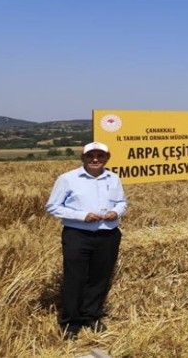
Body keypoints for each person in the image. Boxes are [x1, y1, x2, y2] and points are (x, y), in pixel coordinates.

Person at [45, 142, 127, 340]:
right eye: (91, 156)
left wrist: (115, 212)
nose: (95, 159)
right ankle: (70, 323)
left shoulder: (113, 178)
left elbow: (122, 202)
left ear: (107, 158)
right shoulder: (67, 179)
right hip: (77, 234)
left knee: (100, 277)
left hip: (108, 234)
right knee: (75, 278)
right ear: (83, 158)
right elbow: (52, 206)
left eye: (100, 156)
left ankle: (91, 316)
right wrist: (82, 216)